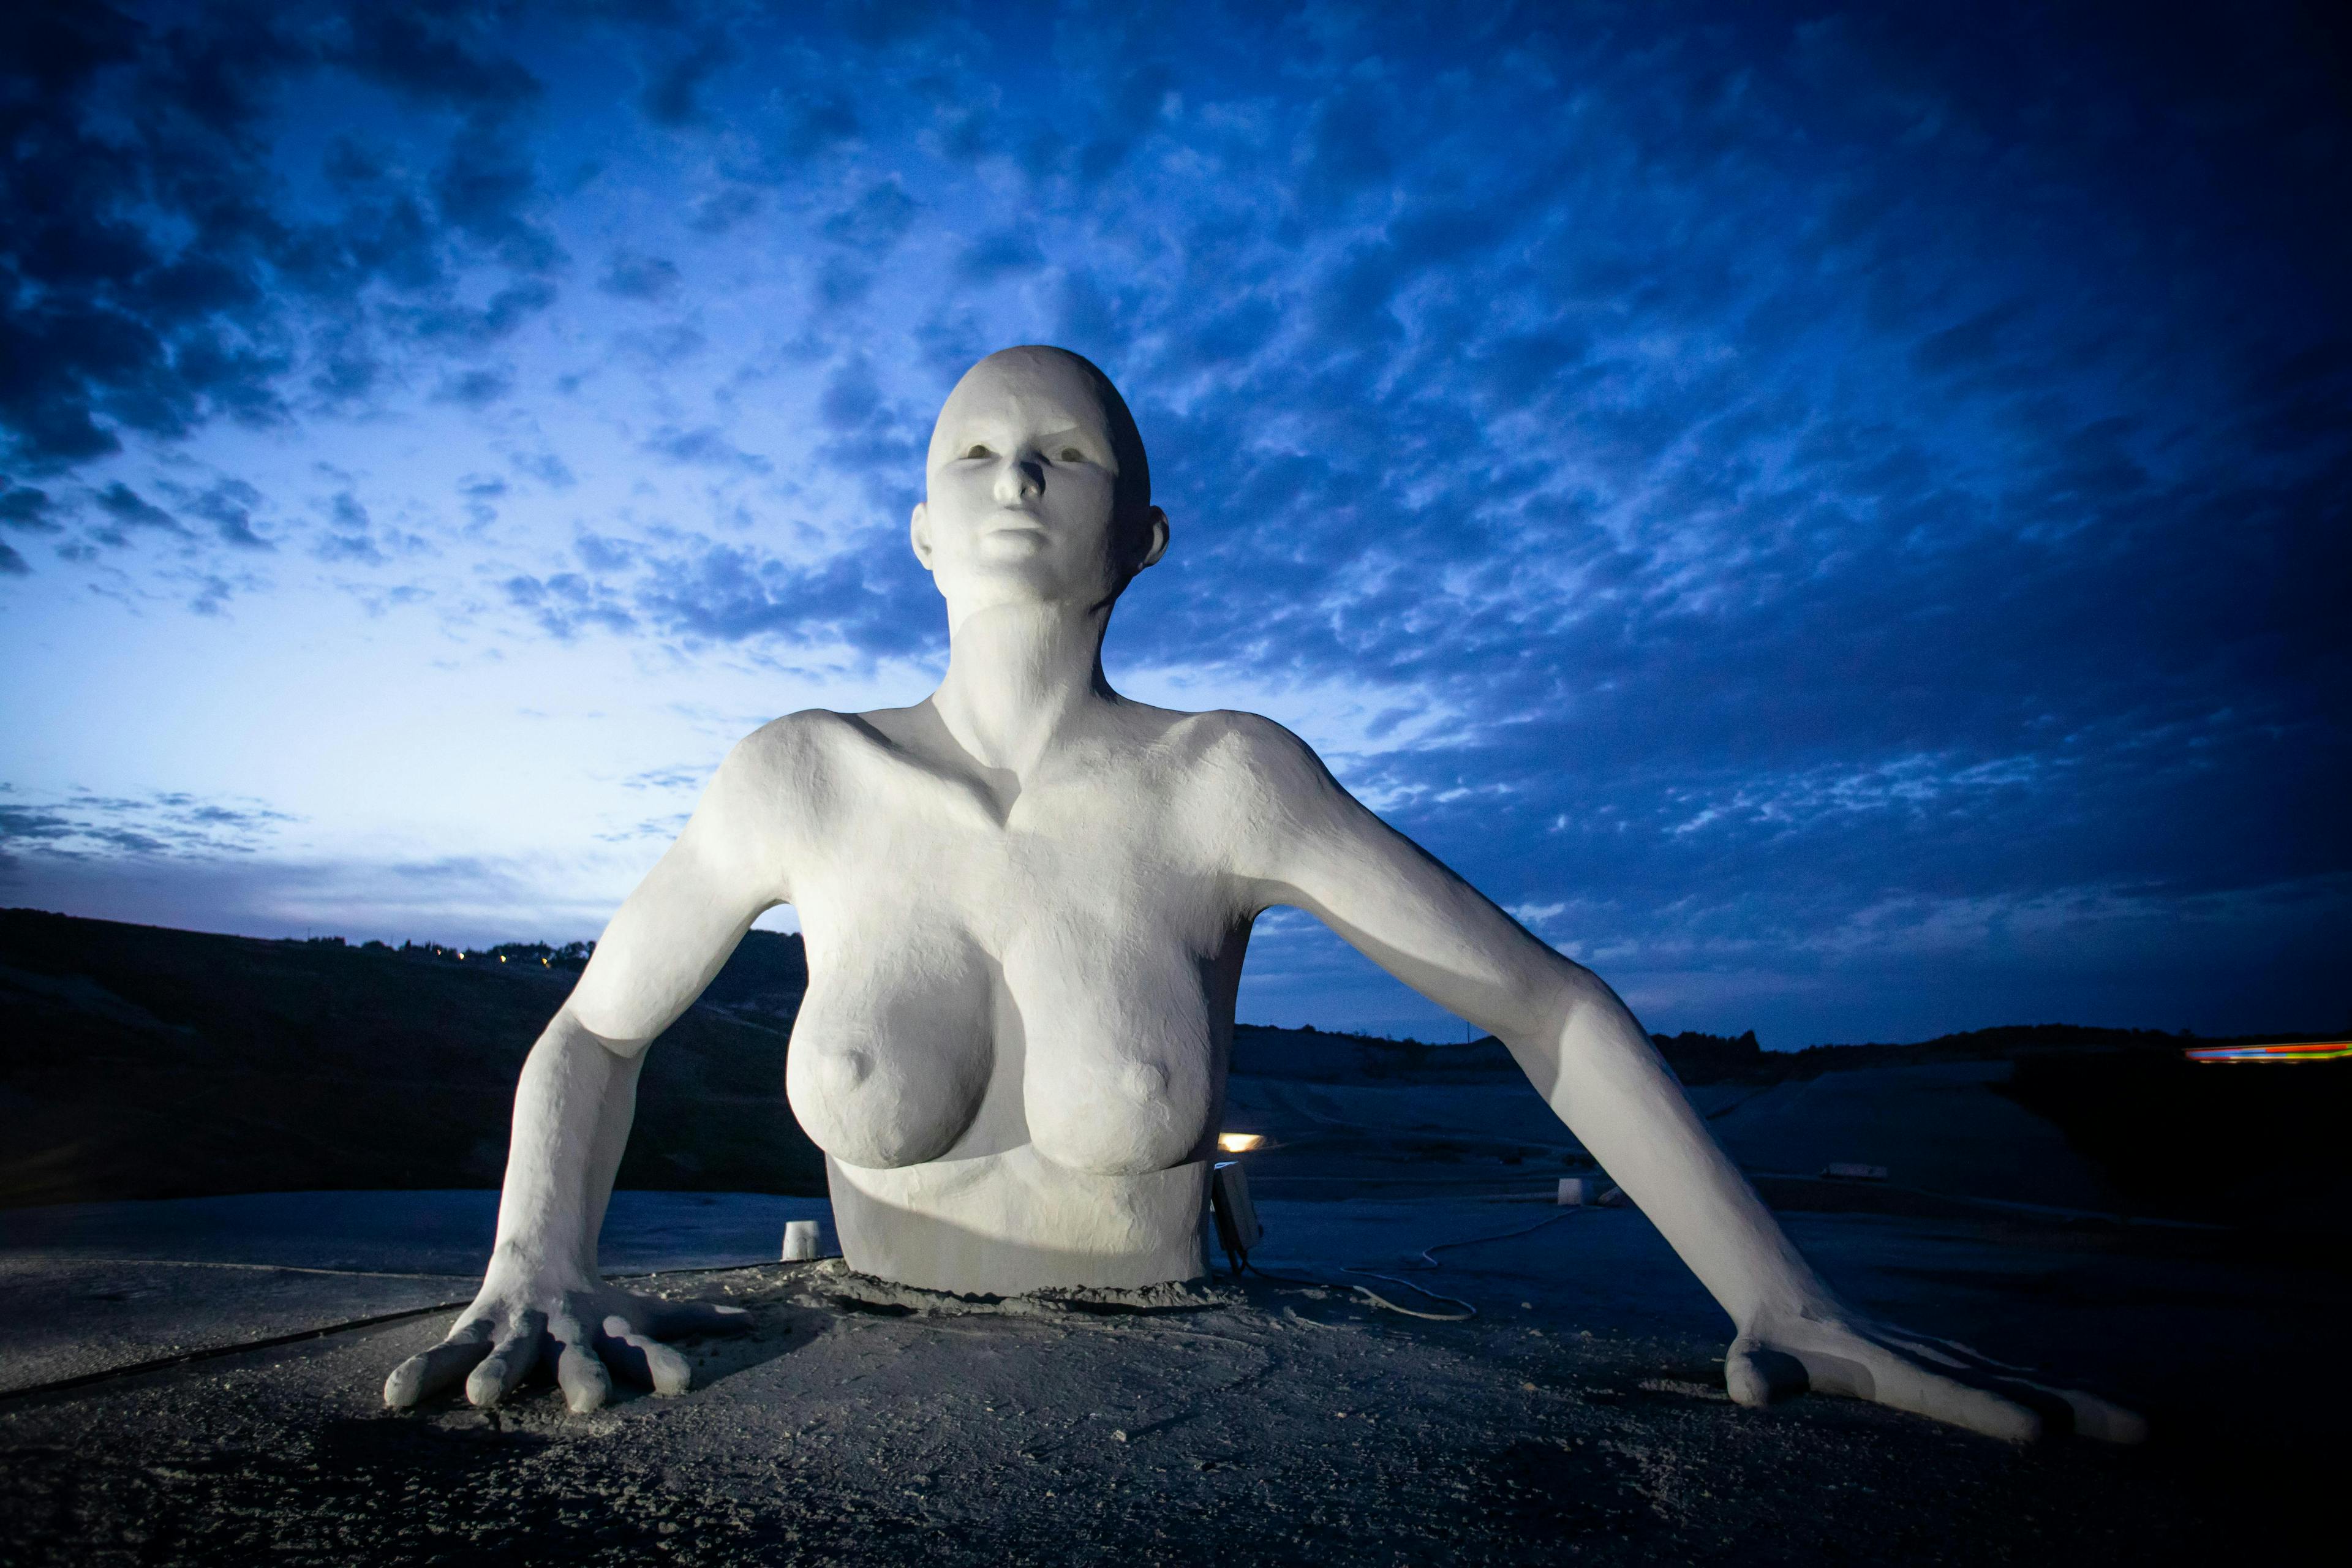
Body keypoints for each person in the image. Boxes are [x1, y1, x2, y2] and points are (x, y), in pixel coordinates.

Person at [385, 347, 2139, 1444]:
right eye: (976, 453)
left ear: (1142, 534)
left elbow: (1544, 1003)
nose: (1014, 476)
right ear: (919, 527)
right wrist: (537, 1256)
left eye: (1062, 453)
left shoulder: (1223, 780)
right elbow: (595, 1032)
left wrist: (1780, 1297)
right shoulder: (800, 778)